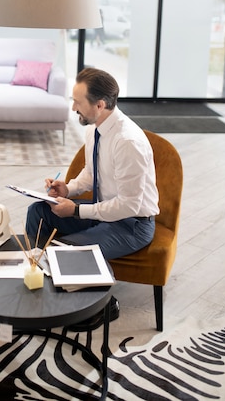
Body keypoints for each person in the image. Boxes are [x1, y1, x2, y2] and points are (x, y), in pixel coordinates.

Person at [26, 67, 159, 325]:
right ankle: (47, 282)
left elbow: (129, 205)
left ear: (99, 105)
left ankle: (102, 307)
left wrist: (75, 210)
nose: (73, 106)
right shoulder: (93, 128)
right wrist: (68, 189)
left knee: (67, 250)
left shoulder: (128, 141)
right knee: (38, 212)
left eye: (77, 101)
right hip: (104, 211)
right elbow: (91, 173)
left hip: (132, 224)